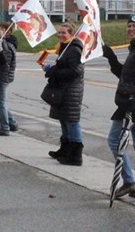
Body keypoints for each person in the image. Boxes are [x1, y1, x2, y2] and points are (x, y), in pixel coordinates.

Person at [101, 14, 135, 200]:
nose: (131, 29)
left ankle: (129, 181)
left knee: (114, 139)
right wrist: (111, 58)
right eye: (129, 26)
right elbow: (126, 76)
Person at [44, 21, 85, 165]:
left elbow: (76, 70)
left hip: (71, 91)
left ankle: (75, 155)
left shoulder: (74, 49)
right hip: (63, 89)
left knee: (72, 122)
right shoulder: (65, 48)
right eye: (59, 33)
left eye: (64, 33)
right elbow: (64, 66)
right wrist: (51, 69)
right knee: (63, 119)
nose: (61, 35)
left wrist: (54, 71)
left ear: (71, 34)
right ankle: (65, 149)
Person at [0, 21, 18, 136]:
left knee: (0, 102)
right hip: (3, 78)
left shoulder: (6, 45)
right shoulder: (3, 42)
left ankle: (4, 127)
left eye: (2, 29)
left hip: (3, 78)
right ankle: (12, 122)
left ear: (8, 32)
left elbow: (5, 65)